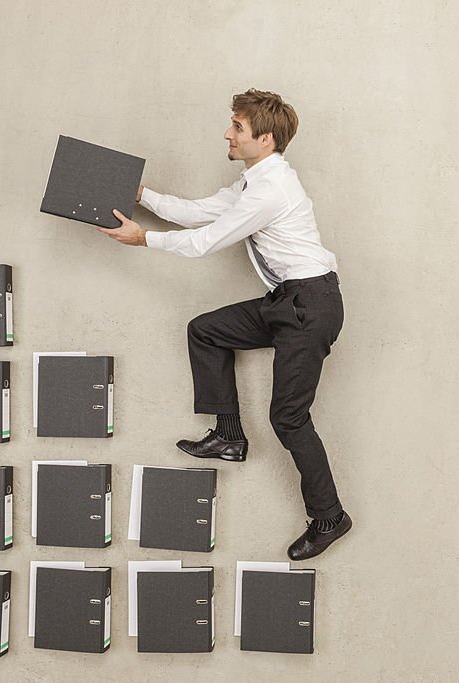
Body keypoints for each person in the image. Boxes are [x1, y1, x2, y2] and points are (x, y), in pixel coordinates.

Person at [97, 89, 350, 561]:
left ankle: (330, 516)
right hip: (287, 301)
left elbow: (207, 241)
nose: (227, 133)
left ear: (266, 139)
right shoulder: (254, 179)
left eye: (237, 127)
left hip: (311, 306)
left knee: (288, 419)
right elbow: (199, 211)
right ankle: (229, 436)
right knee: (205, 330)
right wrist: (141, 195)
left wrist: (143, 239)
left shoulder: (271, 190)